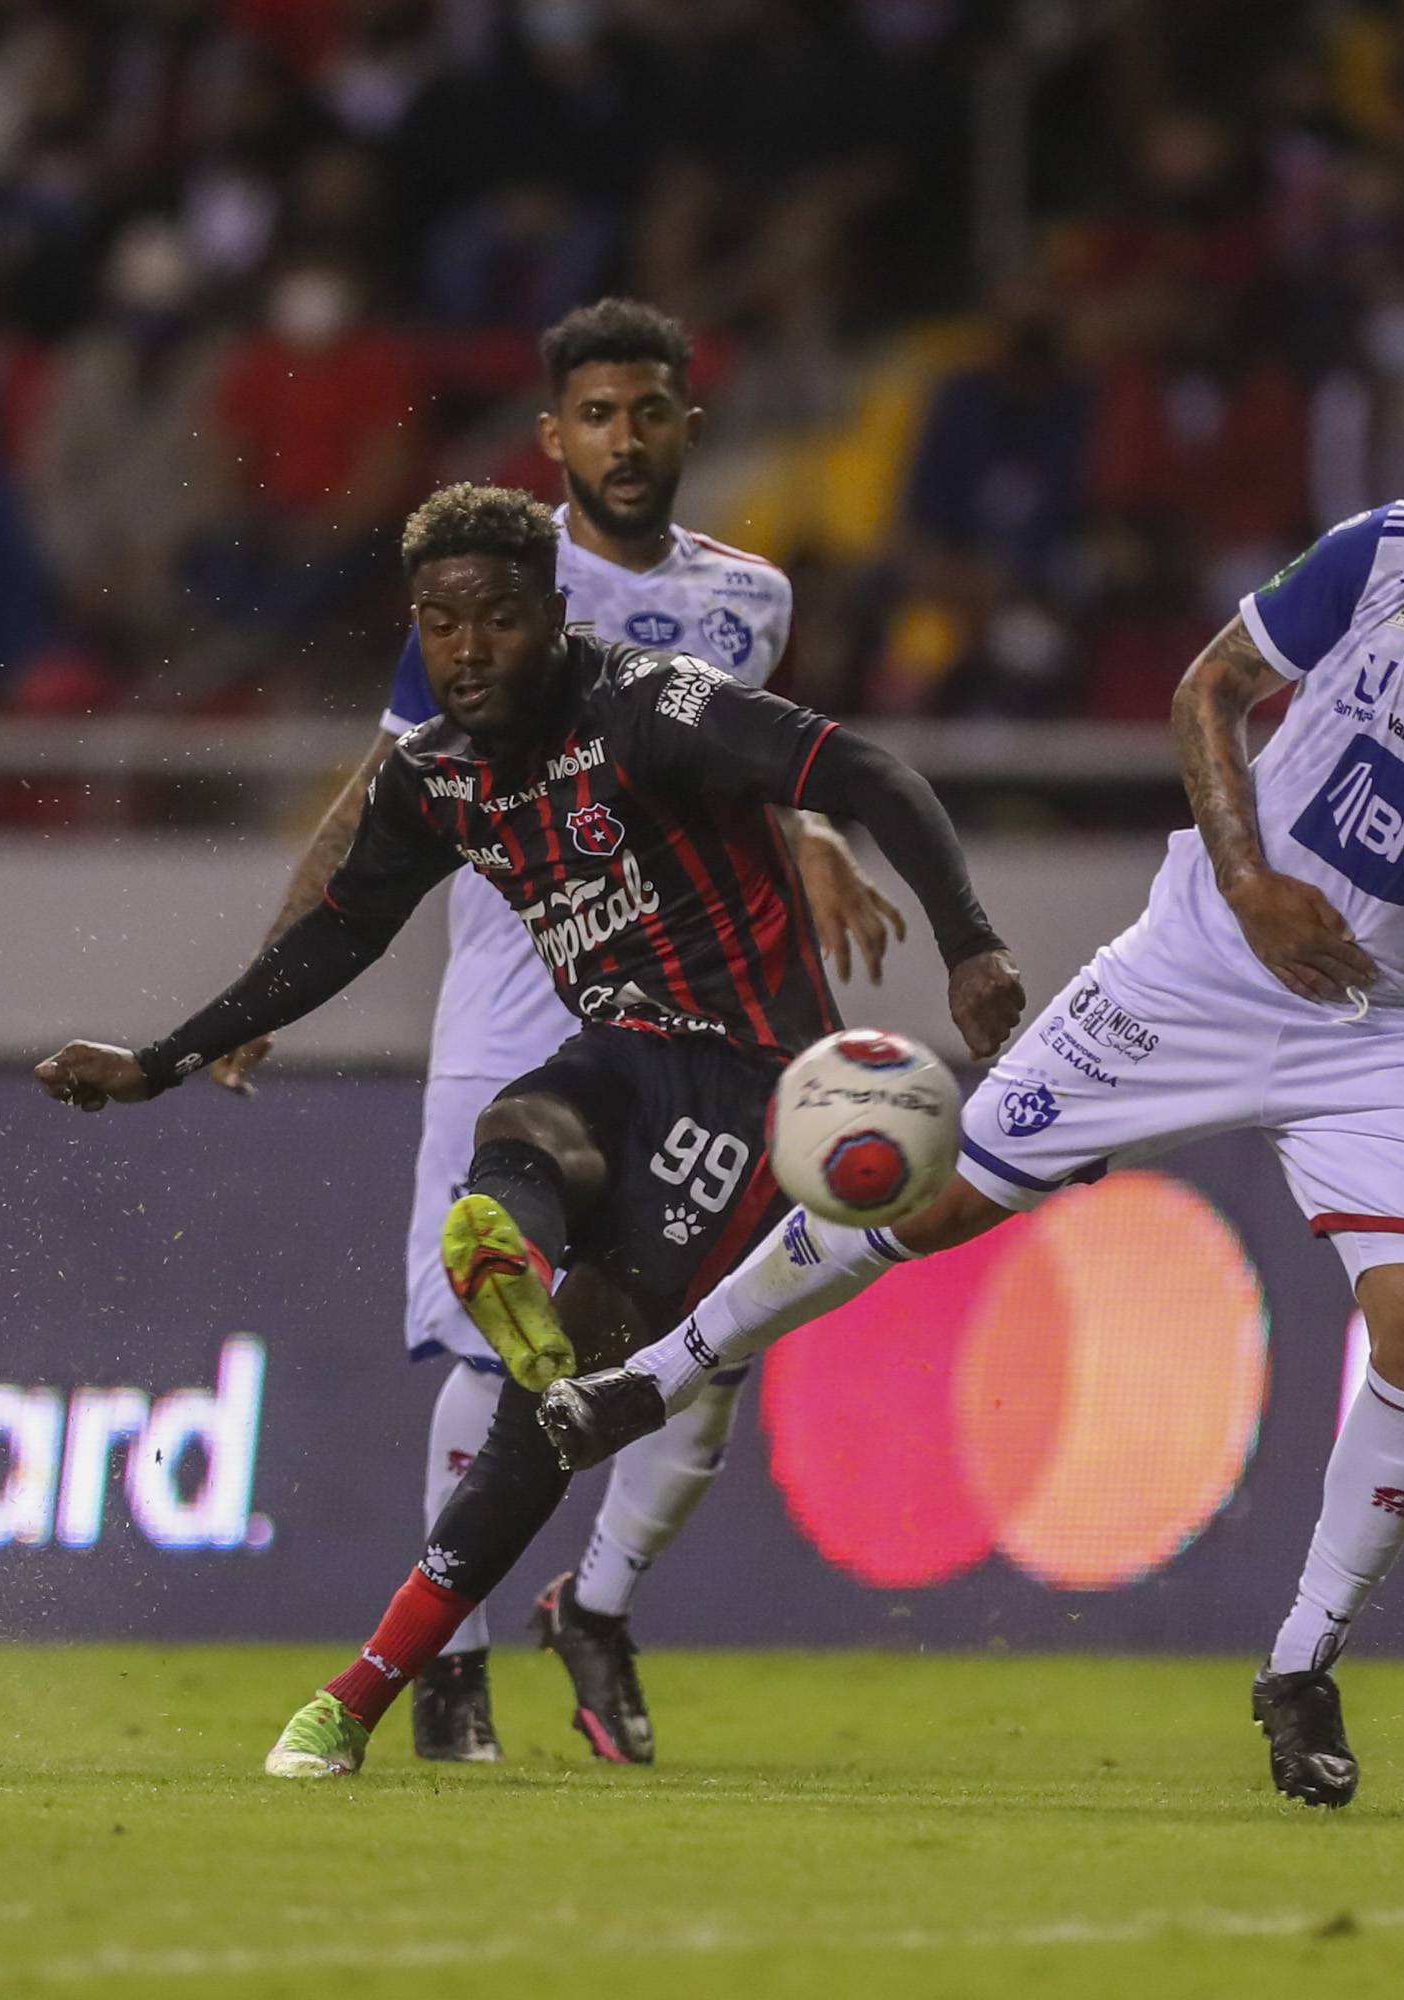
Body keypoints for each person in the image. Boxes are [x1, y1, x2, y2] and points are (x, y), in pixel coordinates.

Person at [539, 371, 1404, 1810]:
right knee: (929, 1190)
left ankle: (1299, 1667)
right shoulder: (1395, 551)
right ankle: (647, 1382)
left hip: (1376, 1026)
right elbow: (1212, 688)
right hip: (1198, 963)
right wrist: (1247, 876)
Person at [32, 482, 1023, 1781]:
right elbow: (340, 931)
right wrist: (160, 1059)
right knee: (519, 1134)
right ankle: (505, 1259)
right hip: (616, 1051)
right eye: (439, 624)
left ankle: (363, 1691)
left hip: (743, 1085)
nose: (468, 649)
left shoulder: (650, 707)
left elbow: (871, 772)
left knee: (552, 1415)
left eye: (498, 618)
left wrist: (972, 947)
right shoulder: (435, 772)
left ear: (553, 616)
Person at [207, 298, 904, 1765]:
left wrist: (818, 830)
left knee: (708, 1348)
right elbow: (379, 794)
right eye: (597, 416)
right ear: (554, 436)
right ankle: (447, 1667)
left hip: (692, 987)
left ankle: (596, 1604)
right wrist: (275, 971)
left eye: (649, 412)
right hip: (522, 982)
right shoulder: (497, 583)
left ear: (686, 426)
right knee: (495, 1337)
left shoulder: (749, 596)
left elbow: (744, 754)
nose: (625, 441)